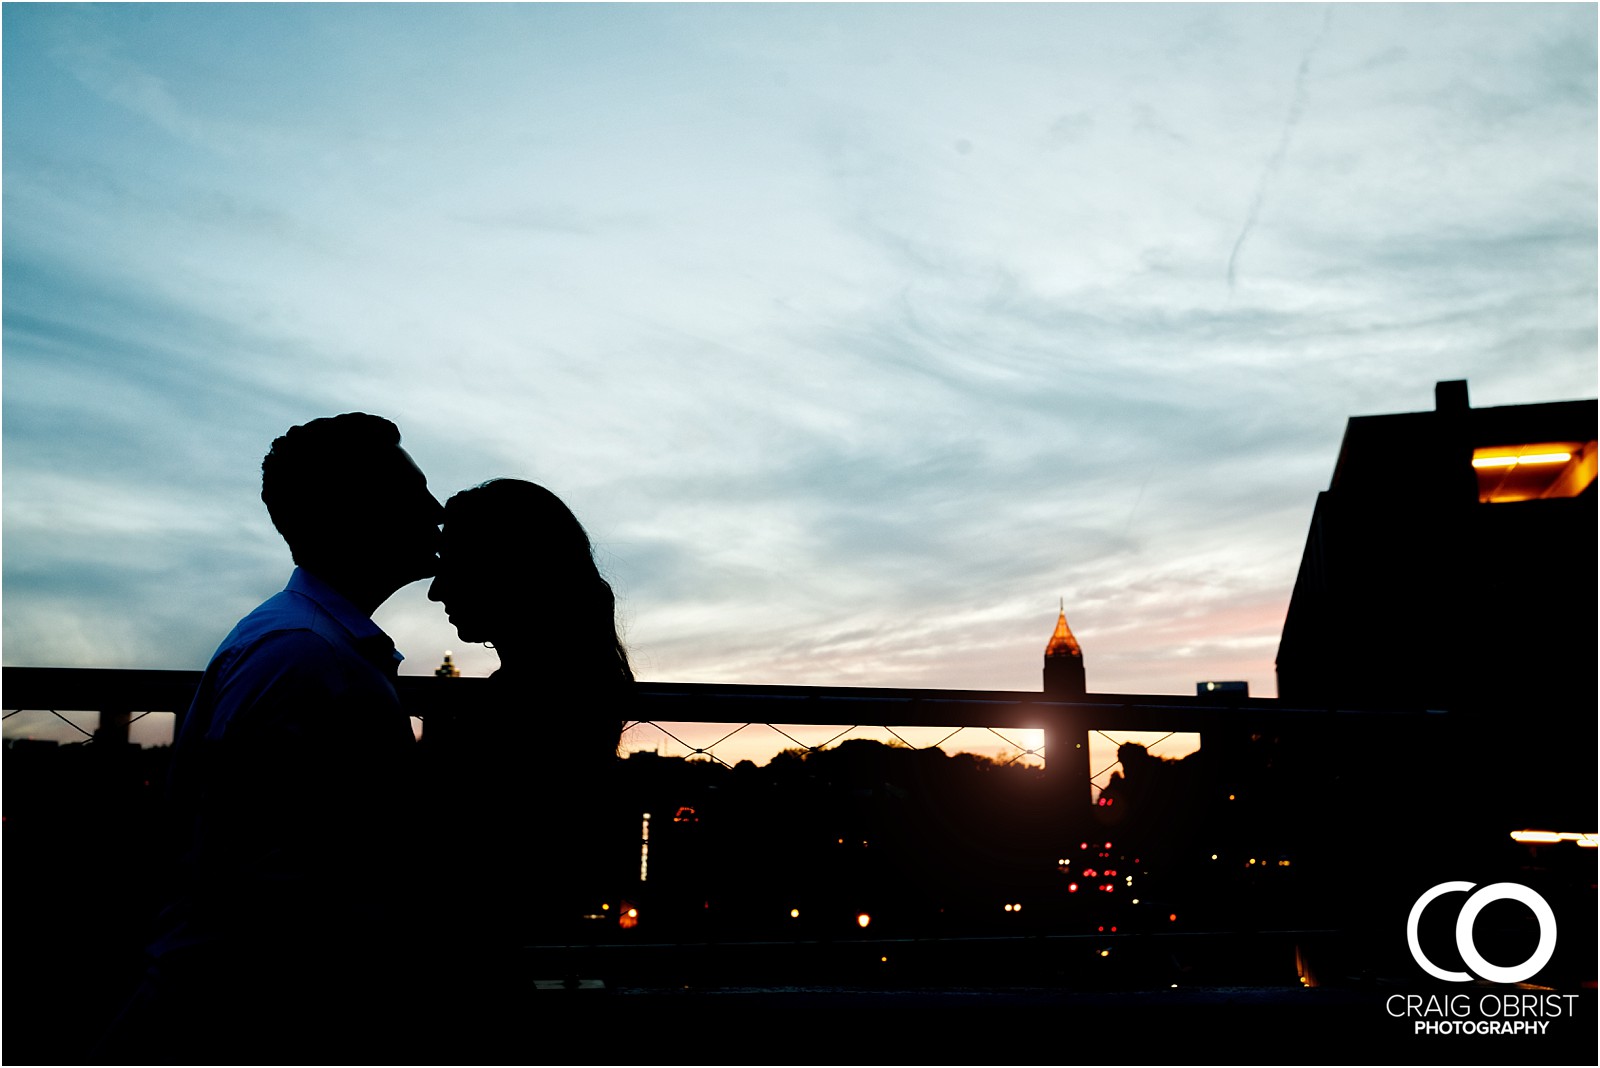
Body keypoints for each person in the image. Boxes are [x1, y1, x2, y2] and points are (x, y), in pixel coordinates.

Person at [106, 413, 444, 1063]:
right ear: (355, 512)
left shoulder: (305, 644)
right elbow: (259, 888)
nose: (435, 510)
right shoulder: (303, 657)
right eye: (414, 492)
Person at [420, 479, 633, 1017]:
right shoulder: (571, 685)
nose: (435, 589)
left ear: (505, 567)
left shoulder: (523, 708)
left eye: (452, 564)